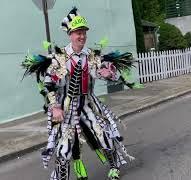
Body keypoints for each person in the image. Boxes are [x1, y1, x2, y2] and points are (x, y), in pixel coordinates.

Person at [22, 7, 134, 180]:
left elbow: (102, 73)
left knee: (104, 136)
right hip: (66, 107)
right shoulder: (60, 57)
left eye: (83, 32)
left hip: (88, 103)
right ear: (70, 34)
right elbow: (48, 83)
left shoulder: (92, 56)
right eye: (77, 33)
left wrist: (108, 74)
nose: (81, 36)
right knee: (64, 149)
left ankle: (114, 166)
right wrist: (55, 107)